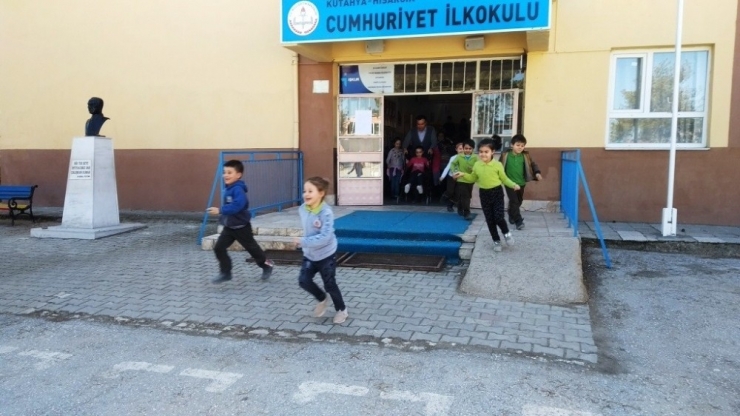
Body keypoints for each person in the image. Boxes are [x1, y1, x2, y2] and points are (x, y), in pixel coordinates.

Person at [207, 160, 275, 283]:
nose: (226, 175)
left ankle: (267, 265)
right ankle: (226, 273)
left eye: (229, 172)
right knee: (219, 248)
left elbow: (239, 205)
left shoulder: (238, 189)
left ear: (238, 175)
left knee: (253, 250)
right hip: (230, 227)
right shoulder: (229, 188)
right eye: (224, 172)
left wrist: (220, 210)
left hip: (241, 227)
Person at [294, 177, 348, 324]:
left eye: (310, 191)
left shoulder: (326, 213)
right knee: (303, 280)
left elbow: (324, 237)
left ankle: (341, 310)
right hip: (310, 254)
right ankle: (322, 298)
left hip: (326, 255)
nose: (306, 194)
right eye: (305, 191)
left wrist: (303, 241)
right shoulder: (302, 209)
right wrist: (304, 244)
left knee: (329, 284)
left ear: (321, 193)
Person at [454, 139, 520, 252]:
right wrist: (463, 174)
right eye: (480, 152)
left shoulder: (497, 165)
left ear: (492, 152)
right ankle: (496, 241)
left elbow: (504, 179)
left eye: (486, 151)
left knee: (498, 217)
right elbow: (473, 178)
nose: (483, 154)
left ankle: (507, 234)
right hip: (484, 194)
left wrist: (513, 185)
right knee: (490, 219)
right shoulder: (477, 165)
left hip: (497, 193)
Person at [499, 134, 543, 230]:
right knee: (514, 201)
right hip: (509, 182)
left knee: (519, 201)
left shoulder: (525, 156)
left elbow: (533, 165)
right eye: (518, 145)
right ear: (512, 145)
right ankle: (518, 221)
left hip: (521, 182)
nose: (520, 147)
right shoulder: (505, 155)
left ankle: (511, 214)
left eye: (522, 146)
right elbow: (498, 166)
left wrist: (537, 173)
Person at [450, 139, 478, 220]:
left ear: (473, 149)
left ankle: (460, 206)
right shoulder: (459, 156)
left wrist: (473, 169)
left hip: (470, 179)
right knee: (465, 196)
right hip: (461, 179)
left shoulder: (475, 157)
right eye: (466, 148)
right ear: (463, 148)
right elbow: (453, 164)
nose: (468, 150)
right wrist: (454, 172)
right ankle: (467, 213)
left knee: (468, 196)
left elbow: (478, 167)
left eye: (470, 149)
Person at [440, 142, 464, 212]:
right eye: (460, 149)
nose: (461, 150)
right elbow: (448, 167)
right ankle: (444, 197)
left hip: (460, 178)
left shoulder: (466, 158)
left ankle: (450, 205)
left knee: (457, 193)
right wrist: (442, 176)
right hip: (451, 177)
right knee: (450, 191)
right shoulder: (453, 158)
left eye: (462, 149)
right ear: (456, 149)